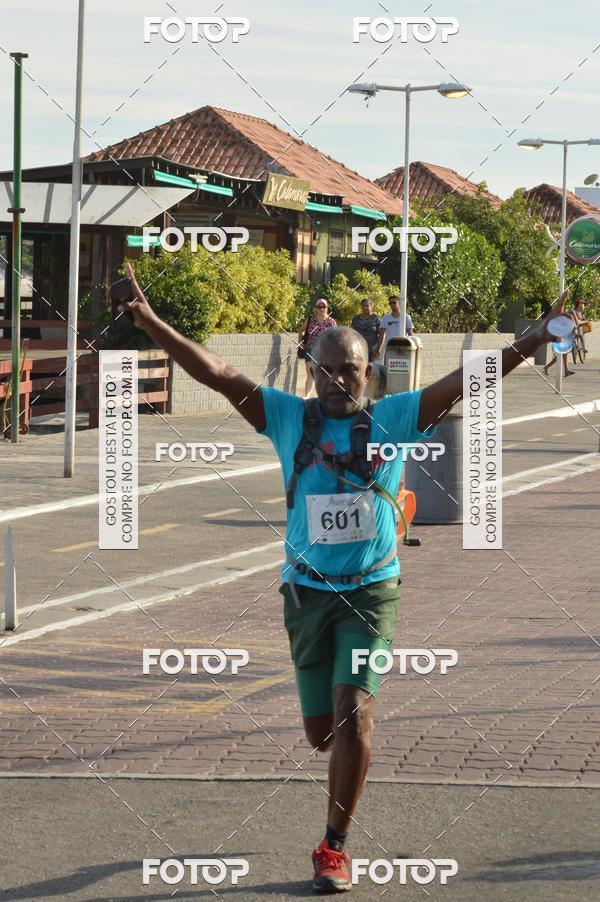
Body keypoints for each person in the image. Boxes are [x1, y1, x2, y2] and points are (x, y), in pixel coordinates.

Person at [120, 262, 568, 895]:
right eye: (327, 369)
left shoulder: (397, 417)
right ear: (312, 370)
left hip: (371, 592)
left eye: (350, 369)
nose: (338, 381)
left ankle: (334, 846)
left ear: (370, 369)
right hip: (305, 594)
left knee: (354, 715)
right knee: (319, 734)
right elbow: (217, 374)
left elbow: (469, 381)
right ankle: (336, 770)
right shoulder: (287, 419)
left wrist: (535, 337)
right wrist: (151, 323)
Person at [298, 299, 336, 396]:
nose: (321, 309)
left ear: (327, 308)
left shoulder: (331, 322)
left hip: (324, 351)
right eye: (319, 307)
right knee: (310, 374)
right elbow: (301, 330)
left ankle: (323, 397)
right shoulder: (310, 319)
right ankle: (306, 397)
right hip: (310, 349)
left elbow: (335, 337)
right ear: (316, 308)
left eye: (324, 307)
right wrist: (301, 343)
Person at [375, 295, 413, 360]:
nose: (392, 305)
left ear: (399, 303)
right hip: (390, 348)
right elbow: (381, 335)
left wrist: (411, 349)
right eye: (390, 303)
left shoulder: (406, 317)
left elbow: (410, 334)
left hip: (403, 349)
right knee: (388, 369)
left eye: (394, 302)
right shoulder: (386, 318)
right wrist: (378, 349)